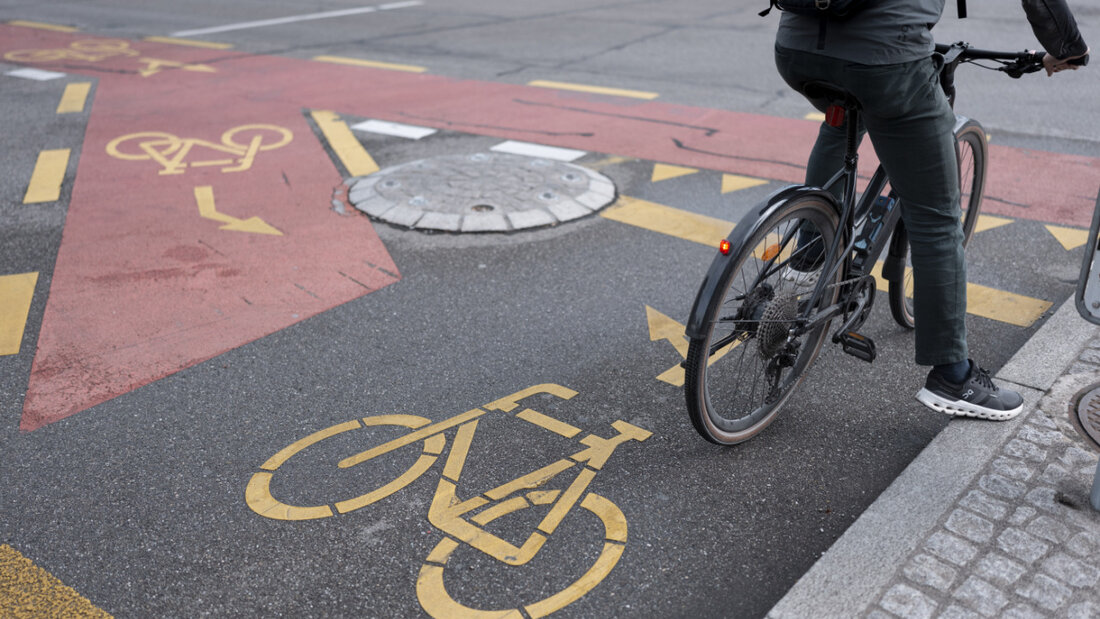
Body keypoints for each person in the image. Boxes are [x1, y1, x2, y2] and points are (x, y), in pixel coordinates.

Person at [773, 0, 1089, 420]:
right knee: (937, 219)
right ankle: (953, 377)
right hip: (887, 58)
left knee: (842, 112)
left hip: (796, 48)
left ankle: (808, 259)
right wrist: (1067, 47)